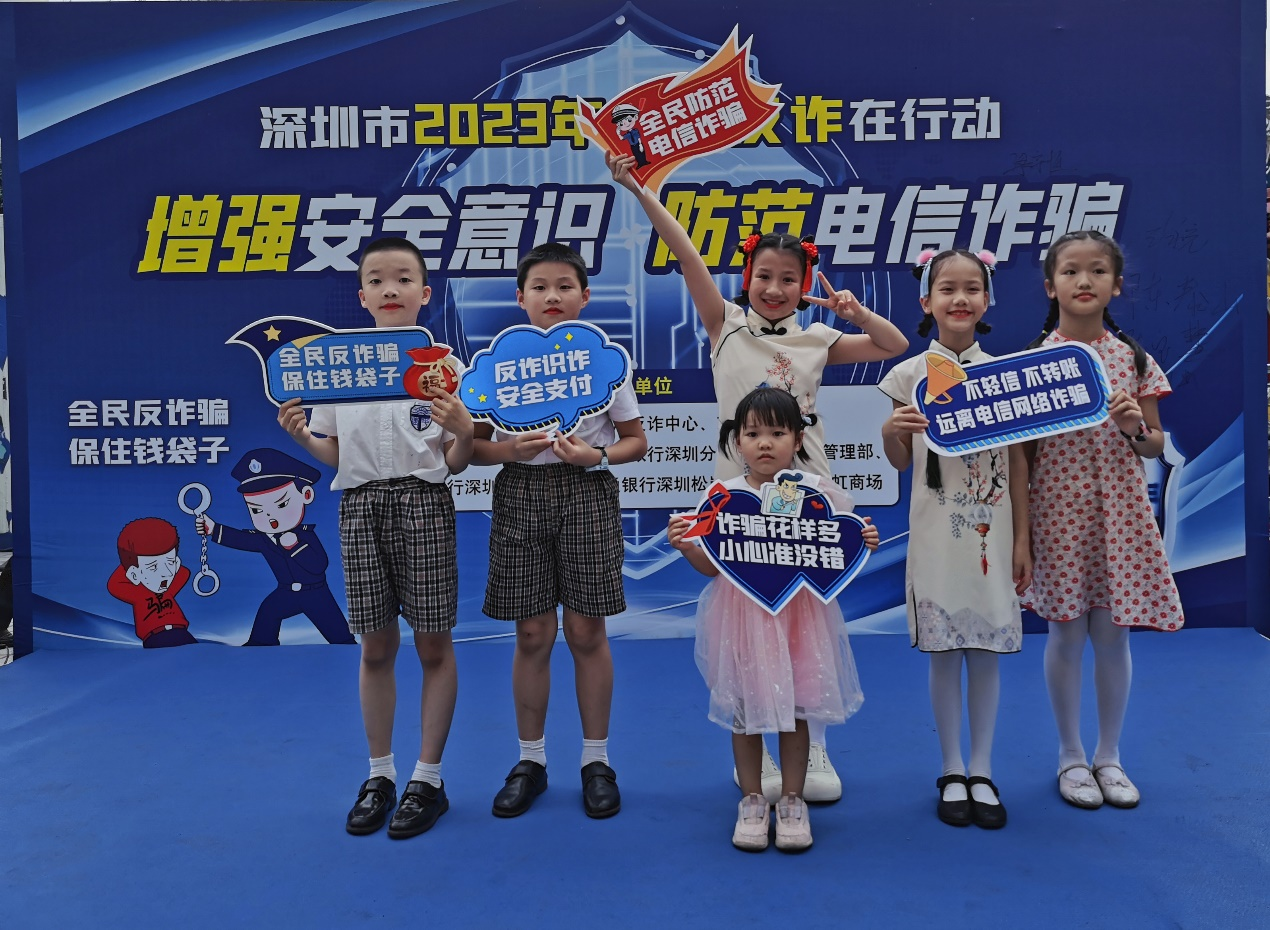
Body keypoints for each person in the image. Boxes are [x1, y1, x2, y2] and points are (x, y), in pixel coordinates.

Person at [607, 151, 908, 802]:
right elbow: (685, 253)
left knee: (809, 617)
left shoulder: (817, 339)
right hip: (739, 497)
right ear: (747, 278)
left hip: (811, 497)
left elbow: (894, 347)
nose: (774, 288)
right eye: (764, 276)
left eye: (788, 279)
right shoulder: (726, 326)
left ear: (805, 284)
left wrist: (854, 313)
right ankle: (758, 749)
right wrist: (640, 191)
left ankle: (814, 742)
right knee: (746, 622)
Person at [277, 236, 474, 839]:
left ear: (425, 293)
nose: (391, 289)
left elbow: (456, 461)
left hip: (425, 503)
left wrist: (465, 430)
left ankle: (428, 779)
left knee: (433, 645)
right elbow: (335, 453)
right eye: (378, 280)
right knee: (376, 646)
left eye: (404, 278)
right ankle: (379, 775)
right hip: (360, 507)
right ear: (361, 295)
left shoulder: (447, 368)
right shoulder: (337, 365)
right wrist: (302, 437)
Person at [475, 241, 648, 820]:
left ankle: (596, 761)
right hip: (520, 493)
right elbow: (471, 448)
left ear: (585, 296)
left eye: (565, 286)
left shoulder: (604, 361)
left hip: (587, 495)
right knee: (531, 633)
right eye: (541, 287)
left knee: (586, 630)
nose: (553, 296)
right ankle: (531, 761)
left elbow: (636, 441)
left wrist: (595, 457)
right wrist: (508, 450)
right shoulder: (498, 366)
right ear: (520, 297)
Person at [669, 387, 876, 851]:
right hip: (742, 621)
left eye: (778, 433)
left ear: (798, 439)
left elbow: (841, 548)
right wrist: (685, 547)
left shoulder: (818, 492)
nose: (765, 443)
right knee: (744, 713)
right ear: (737, 441)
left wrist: (864, 542)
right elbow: (712, 567)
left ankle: (792, 801)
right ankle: (752, 800)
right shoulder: (721, 498)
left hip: (799, 621)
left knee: (795, 710)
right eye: (753, 433)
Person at [1022, 230, 1183, 810]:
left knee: (1114, 636)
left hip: (1120, 513)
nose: (1083, 281)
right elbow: (1022, 457)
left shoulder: (1135, 360)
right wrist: (1021, 532)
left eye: (1097, 270)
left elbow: (1154, 443)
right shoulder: (1034, 363)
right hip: (1057, 514)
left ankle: (1109, 757)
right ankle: (1070, 757)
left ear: (1116, 285)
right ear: (1051, 286)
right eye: (1070, 271)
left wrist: (1134, 427)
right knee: (1065, 633)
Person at [878, 249, 1031, 829]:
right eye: (947, 289)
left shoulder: (1005, 377)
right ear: (926, 301)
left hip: (994, 531)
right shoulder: (907, 376)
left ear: (987, 300)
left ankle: (983, 770)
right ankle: (951, 769)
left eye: (972, 288)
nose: (960, 299)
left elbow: (1017, 464)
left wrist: (1023, 539)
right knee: (944, 652)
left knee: (986, 651)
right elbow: (900, 462)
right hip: (936, 532)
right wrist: (891, 430)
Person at [196, 448, 353, 647]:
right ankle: (260, 645)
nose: (269, 516)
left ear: (306, 495)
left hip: (316, 593)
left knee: (339, 635)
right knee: (268, 611)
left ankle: (346, 647)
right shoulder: (264, 539)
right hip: (286, 592)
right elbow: (242, 539)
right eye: (256, 509)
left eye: (281, 505)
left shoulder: (305, 536)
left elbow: (319, 565)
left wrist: (295, 547)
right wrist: (213, 529)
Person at [107, 517, 197, 647]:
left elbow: (184, 573)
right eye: (153, 567)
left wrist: (169, 560)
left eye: (170, 562)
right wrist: (131, 558)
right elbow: (113, 584)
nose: (166, 572)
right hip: (155, 637)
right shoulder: (137, 594)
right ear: (133, 574)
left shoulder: (168, 589)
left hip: (181, 632)